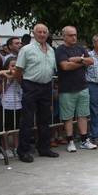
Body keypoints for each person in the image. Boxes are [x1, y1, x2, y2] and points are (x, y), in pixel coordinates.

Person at [15, 23, 59, 163]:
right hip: (30, 86)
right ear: (34, 34)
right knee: (27, 120)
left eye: (44, 32)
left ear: (47, 34)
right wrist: (24, 85)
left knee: (45, 120)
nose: (42, 34)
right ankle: (23, 151)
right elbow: (18, 70)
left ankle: (44, 148)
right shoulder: (26, 49)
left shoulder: (51, 50)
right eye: (39, 32)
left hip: (46, 87)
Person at [55, 26, 96, 152]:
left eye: (75, 35)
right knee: (68, 117)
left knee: (83, 115)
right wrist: (82, 62)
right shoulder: (60, 50)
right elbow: (65, 66)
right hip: (67, 89)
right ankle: (70, 142)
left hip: (82, 87)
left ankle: (84, 140)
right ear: (64, 36)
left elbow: (91, 61)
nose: (74, 37)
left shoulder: (80, 48)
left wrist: (79, 59)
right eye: (71, 35)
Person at [1, 57, 22, 158]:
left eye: (16, 66)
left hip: (18, 104)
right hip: (7, 104)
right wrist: (8, 76)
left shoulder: (19, 76)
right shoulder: (3, 77)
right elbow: (1, 90)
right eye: (12, 66)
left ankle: (16, 147)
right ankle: (6, 148)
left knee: (16, 128)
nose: (14, 68)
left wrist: (16, 75)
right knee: (6, 128)